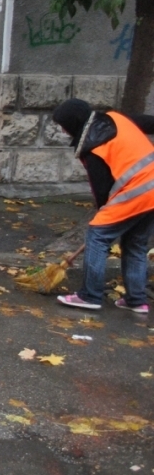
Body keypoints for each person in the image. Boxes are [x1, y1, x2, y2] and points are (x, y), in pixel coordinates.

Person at [52, 98, 154, 314]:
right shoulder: (117, 118)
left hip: (137, 191)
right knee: (135, 243)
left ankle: (89, 295)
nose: (63, 131)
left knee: (98, 234)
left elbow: (101, 189)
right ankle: (137, 300)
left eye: (63, 126)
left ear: (73, 124)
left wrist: (104, 212)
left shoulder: (93, 145)